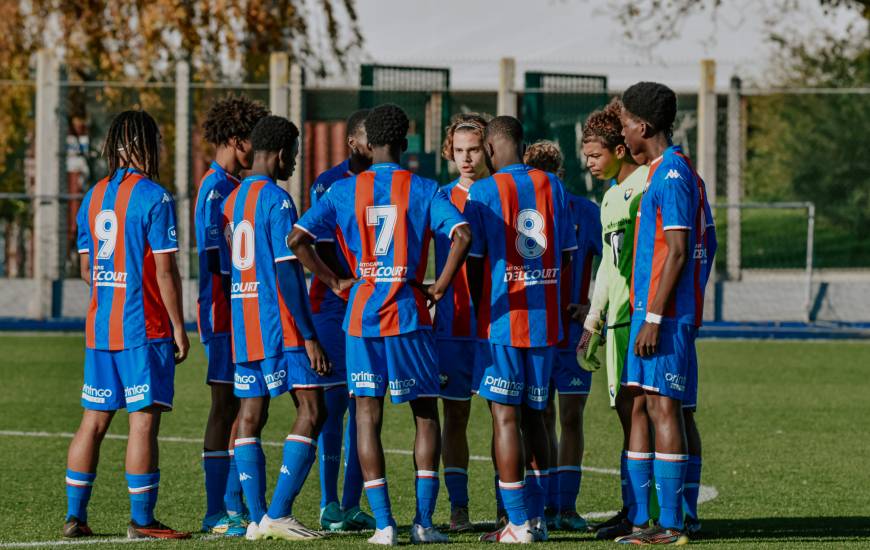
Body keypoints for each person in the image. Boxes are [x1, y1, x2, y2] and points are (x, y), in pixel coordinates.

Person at [289, 103, 472, 545]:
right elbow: (462, 234)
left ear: (367, 146)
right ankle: (424, 523)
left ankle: (385, 525)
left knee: (365, 419)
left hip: (362, 316)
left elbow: (297, 239)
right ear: (406, 144)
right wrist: (441, 286)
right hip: (409, 313)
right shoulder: (427, 188)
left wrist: (334, 280)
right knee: (426, 416)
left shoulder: (342, 190)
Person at [64, 110, 190, 540]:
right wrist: (178, 324)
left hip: (101, 329)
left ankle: (75, 517)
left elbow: (86, 268)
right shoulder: (155, 198)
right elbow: (165, 272)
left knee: (93, 422)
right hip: (144, 330)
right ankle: (142, 520)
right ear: (138, 145)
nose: (160, 148)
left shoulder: (93, 196)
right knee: (142, 423)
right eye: (155, 140)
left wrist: (112, 283)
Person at [465, 116, 578, 543]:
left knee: (504, 417)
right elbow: (566, 256)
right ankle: (540, 518)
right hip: (545, 323)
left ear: (492, 150)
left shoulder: (484, 191)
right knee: (539, 418)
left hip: (503, 322)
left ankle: (516, 523)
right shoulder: (553, 186)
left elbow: (475, 263)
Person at [220, 115, 330, 541]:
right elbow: (287, 274)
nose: (295, 163)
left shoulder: (232, 201)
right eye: (295, 155)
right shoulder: (278, 200)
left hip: (244, 323)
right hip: (280, 326)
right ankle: (280, 512)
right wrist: (309, 334)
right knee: (312, 410)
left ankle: (256, 518)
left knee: (251, 415)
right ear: (282, 154)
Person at [615, 82, 716, 545]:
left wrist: (658, 315)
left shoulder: (672, 174)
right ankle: (650, 519)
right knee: (647, 405)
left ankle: (671, 525)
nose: (622, 135)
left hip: (662, 316)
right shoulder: (665, 172)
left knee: (664, 408)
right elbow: (706, 243)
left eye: (624, 126)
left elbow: (678, 251)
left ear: (644, 126)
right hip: (656, 311)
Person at [574, 100, 651, 540]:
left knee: (641, 414)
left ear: (620, 149)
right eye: (586, 156)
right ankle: (633, 508)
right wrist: (593, 321)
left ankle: (649, 515)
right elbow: (607, 265)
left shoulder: (646, 184)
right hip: (617, 323)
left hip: (640, 320)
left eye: (596, 155)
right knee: (628, 416)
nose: (589, 163)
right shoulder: (607, 198)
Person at [195, 94, 268, 537]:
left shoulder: (234, 187)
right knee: (226, 407)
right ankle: (217, 511)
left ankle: (233, 505)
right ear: (238, 140)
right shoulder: (213, 189)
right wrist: (232, 309)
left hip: (239, 312)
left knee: (243, 404)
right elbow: (212, 264)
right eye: (252, 145)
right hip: (225, 316)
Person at [523, 140, 602, 532]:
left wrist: (592, 307)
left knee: (571, 416)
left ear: (562, 176)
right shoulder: (521, 215)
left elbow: (616, 264)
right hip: (535, 332)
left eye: (552, 175)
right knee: (541, 415)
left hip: (576, 333)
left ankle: (566, 506)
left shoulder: (587, 213)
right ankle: (543, 503)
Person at [308, 109, 377, 532]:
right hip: (334, 305)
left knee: (364, 405)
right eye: (372, 138)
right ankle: (329, 504)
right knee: (335, 405)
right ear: (353, 141)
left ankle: (351, 505)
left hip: (371, 305)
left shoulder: (388, 183)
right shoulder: (330, 183)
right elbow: (317, 244)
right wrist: (344, 281)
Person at [435, 113, 490, 533]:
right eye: (459, 151)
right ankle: (459, 508)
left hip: (497, 325)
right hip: (452, 324)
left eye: (473, 149)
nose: (466, 158)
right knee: (454, 417)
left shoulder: (501, 193)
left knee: (510, 415)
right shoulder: (439, 197)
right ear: (449, 152)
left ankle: (516, 507)